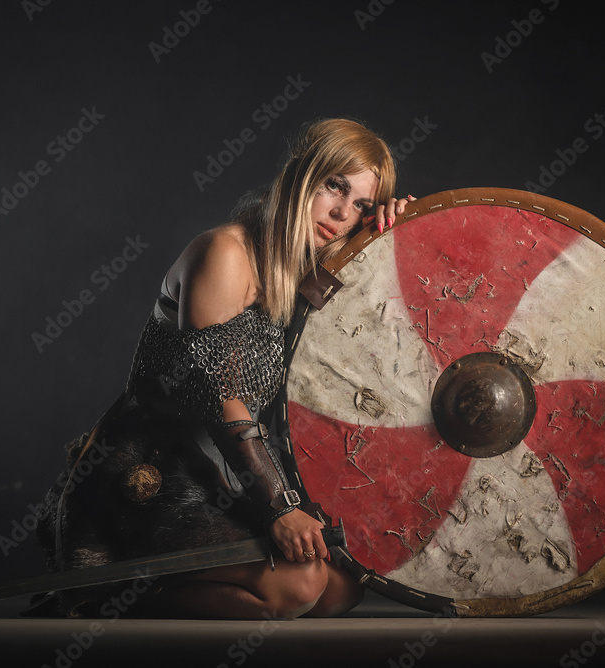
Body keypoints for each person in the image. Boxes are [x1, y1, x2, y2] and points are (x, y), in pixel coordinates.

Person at [35, 118, 413, 620]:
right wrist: (279, 507)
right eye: (334, 186)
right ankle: (98, 594)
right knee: (301, 586)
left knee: (344, 588)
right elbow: (221, 396)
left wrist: (396, 232)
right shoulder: (227, 253)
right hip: (149, 469)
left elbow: (364, 335)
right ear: (301, 177)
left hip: (221, 469)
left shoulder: (300, 271)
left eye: (362, 205)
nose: (342, 212)